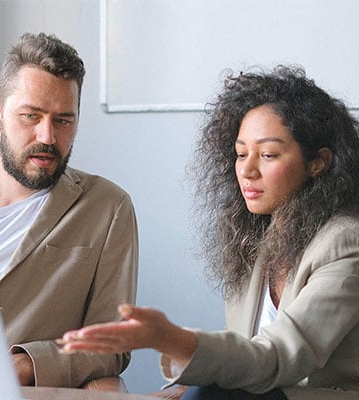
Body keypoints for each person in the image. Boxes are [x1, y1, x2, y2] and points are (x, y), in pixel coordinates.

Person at [59, 66, 359, 399]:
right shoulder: (257, 240)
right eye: (241, 153)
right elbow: (247, 355)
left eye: (268, 154)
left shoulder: (345, 243)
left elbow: (276, 357)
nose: (247, 169)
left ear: (318, 162)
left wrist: (170, 338)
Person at [0, 32, 138, 389]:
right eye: (31, 116)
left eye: (63, 120)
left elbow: (114, 344)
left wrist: (25, 365)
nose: (48, 137)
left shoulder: (107, 207)